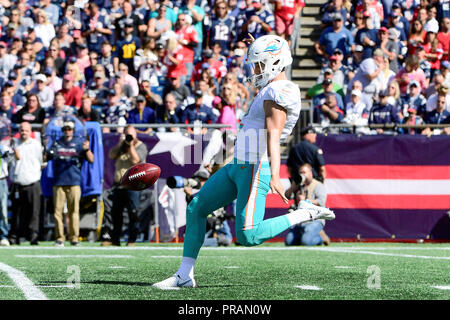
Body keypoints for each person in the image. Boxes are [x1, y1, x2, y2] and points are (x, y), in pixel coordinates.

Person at [153, 35, 335, 289]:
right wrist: (260, 41)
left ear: (274, 62)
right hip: (238, 164)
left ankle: (305, 213)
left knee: (248, 235)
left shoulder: (280, 90)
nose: (255, 70)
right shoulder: (271, 87)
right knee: (196, 208)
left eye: (260, 64)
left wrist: (274, 173)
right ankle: (184, 275)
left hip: (254, 167)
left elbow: (273, 136)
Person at [46, 120, 94, 246]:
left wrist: (87, 149)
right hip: (59, 181)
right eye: (65, 129)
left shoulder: (79, 143)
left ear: (73, 130)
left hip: (74, 181)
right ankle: (59, 238)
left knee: (74, 211)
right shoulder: (57, 143)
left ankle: (74, 238)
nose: (67, 131)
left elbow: (91, 160)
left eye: (69, 129)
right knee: (58, 211)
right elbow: (47, 157)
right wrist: (45, 147)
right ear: (62, 130)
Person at [105, 125, 148, 246]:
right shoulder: (121, 146)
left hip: (133, 184)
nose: (129, 137)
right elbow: (111, 155)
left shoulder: (141, 146)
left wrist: (130, 145)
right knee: (116, 213)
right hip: (119, 184)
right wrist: (120, 143)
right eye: (127, 134)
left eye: (131, 134)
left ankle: (131, 240)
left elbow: (136, 160)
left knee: (133, 213)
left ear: (136, 135)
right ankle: (115, 239)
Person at [8, 122, 43, 245]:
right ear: (19, 131)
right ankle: (14, 236)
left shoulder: (36, 145)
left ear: (30, 131)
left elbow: (41, 162)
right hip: (17, 183)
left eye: (26, 130)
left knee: (34, 212)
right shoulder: (14, 144)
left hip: (32, 182)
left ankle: (33, 236)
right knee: (17, 212)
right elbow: (9, 162)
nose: (24, 132)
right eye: (22, 130)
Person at [284, 164, 330, 246]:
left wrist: (305, 200)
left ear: (310, 173)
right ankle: (304, 234)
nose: (302, 175)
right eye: (300, 172)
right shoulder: (298, 185)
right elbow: (286, 196)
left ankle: (320, 238)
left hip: (315, 219)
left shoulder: (318, 185)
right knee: (289, 242)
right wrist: (293, 186)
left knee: (306, 242)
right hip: (300, 220)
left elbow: (321, 202)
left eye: (304, 172)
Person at [0, 140, 12, 246]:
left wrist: (7, 154)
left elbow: (11, 160)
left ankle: (3, 235)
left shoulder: (3, 147)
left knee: (3, 209)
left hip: (1, 180)